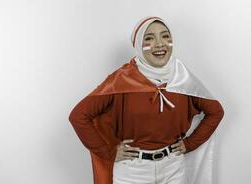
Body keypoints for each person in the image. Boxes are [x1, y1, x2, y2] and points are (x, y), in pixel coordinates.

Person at [69, 16, 225, 184]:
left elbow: (216, 112)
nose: (159, 43)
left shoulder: (182, 78)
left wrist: (190, 143)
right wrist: (108, 152)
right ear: (137, 44)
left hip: (173, 166)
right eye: (149, 38)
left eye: (165, 36)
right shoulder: (121, 80)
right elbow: (78, 116)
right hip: (132, 170)